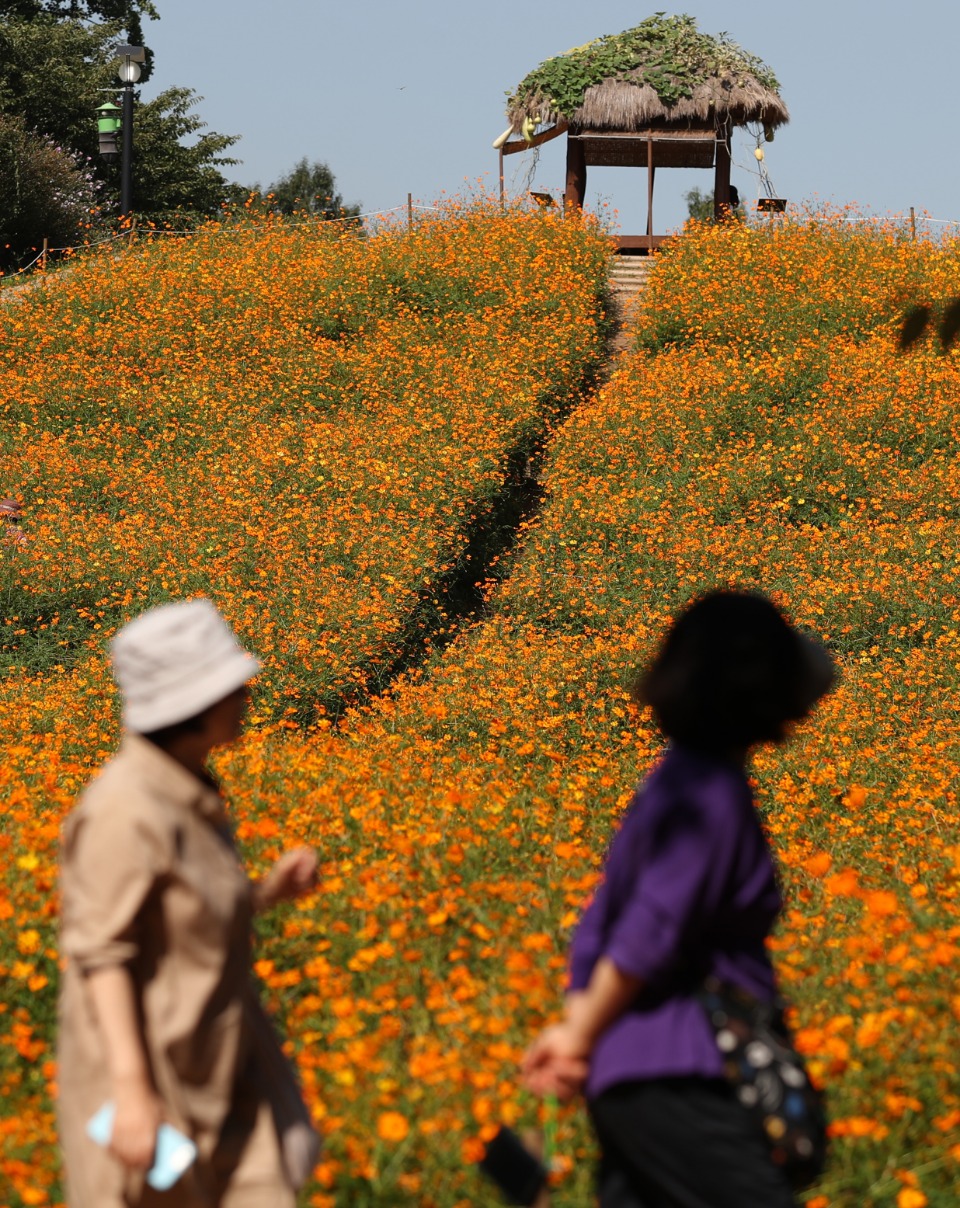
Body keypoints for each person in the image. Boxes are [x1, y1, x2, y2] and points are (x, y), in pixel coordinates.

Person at [522, 591, 834, 1208]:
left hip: (629, 1075)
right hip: (683, 1069)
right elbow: (650, 928)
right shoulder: (710, 796)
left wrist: (580, 1025)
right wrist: (577, 1035)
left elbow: (600, 928)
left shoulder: (670, 784)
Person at [58, 597, 320, 1207]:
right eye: (233, 685)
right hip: (153, 1083)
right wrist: (131, 1091)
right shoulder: (125, 810)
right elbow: (102, 953)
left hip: (224, 1066)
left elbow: (181, 919)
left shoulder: (189, 786)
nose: (247, 692)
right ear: (194, 705)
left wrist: (265, 894)